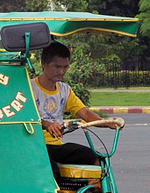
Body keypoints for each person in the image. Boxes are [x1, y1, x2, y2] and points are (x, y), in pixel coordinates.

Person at [32, 42, 114, 174]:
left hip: (56, 146)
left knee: (97, 158)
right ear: (43, 64)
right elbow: (23, 116)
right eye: (57, 67)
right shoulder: (29, 88)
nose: (61, 71)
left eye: (65, 67)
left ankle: (90, 191)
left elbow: (85, 113)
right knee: (52, 172)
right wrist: (47, 124)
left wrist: (107, 123)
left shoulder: (65, 90)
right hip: (33, 146)